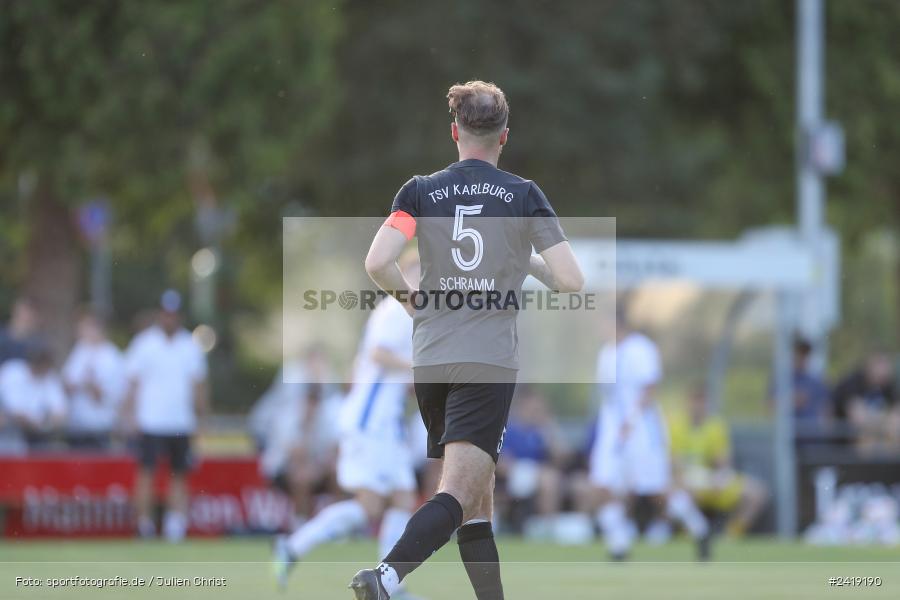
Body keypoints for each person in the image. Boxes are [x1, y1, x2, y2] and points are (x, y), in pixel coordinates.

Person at [350, 80, 583, 600]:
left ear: (455, 132)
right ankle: (386, 577)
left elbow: (377, 262)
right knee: (459, 491)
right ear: (504, 137)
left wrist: (415, 304)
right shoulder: (523, 196)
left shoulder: (419, 191)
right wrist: (526, 259)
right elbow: (570, 280)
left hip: (431, 360)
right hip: (487, 363)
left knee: (480, 497)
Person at [274, 253, 422, 599]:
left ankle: (389, 584)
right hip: (370, 424)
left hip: (385, 424)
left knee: (401, 499)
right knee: (373, 504)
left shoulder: (410, 315)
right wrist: (419, 367)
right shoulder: (394, 308)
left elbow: (366, 368)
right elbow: (377, 354)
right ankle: (292, 547)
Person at [589, 311, 710, 560]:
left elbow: (649, 389)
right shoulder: (606, 354)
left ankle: (699, 528)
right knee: (602, 485)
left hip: (641, 431)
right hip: (613, 432)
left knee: (656, 491)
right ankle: (619, 545)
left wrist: (630, 421)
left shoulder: (642, 349)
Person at [123, 290, 208, 542]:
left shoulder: (190, 345)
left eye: (173, 314)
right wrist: (128, 416)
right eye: (166, 314)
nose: (169, 318)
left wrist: (202, 418)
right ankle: (144, 525)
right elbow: (133, 383)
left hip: (181, 421)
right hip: (150, 421)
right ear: (160, 314)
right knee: (146, 474)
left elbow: (199, 386)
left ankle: (175, 526)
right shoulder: (144, 343)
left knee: (179, 475)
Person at [253, 348, 342, 521]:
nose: (313, 405)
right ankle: (300, 522)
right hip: (282, 467)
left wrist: (322, 466)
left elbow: (333, 448)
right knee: (302, 476)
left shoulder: (326, 416)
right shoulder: (288, 417)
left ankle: (335, 524)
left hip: (315, 465)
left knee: (336, 473)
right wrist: (307, 427)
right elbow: (296, 455)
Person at [669, 386, 768, 537]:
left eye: (702, 401)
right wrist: (684, 482)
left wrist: (721, 477)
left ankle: (731, 535)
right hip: (685, 481)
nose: (698, 406)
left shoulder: (716, 425)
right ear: (688, 402)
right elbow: (674, 464)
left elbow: (723, 461)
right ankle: (689, 535)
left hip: (709, 480)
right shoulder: (676, 426)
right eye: (695, 401)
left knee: (756, 493)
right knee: (673, 496)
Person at [495, 386, 566, 530]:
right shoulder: (508, 428)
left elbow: (561, 458)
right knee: (548, 478)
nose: (535, 411)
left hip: (536, 474)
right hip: (512, 474)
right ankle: (548, 528)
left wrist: (550, 428)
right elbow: (500, 460)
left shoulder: (541, 430)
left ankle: (547, 526)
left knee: (550, 478)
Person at [62, 309, 126, 450]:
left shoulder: (112, 356)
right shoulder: (79, 350)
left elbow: (111, 396)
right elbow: (67, 384)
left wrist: (90, 384)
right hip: (77, 426)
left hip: (101, 426)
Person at [0, 340, 66, 452]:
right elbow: (14, 411)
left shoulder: (50, 377)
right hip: (9, 435)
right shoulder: (12, 372)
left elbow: (60, 411)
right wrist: (32, 422)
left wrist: (48, 423)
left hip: (41, 438)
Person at [832, 351, 899, 452]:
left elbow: (896, 415)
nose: (884, 370)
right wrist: (885, 419)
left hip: (873, 446)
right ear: (869, 366)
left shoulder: (887, 385)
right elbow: (859, 418)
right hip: (841, 448)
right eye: (880, 364)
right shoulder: (852, 382)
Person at [0, 297, 40, 365]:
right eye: (24, 311)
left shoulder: (36, 344)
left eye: (29, 313)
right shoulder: (2, 335)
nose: (25, 316)